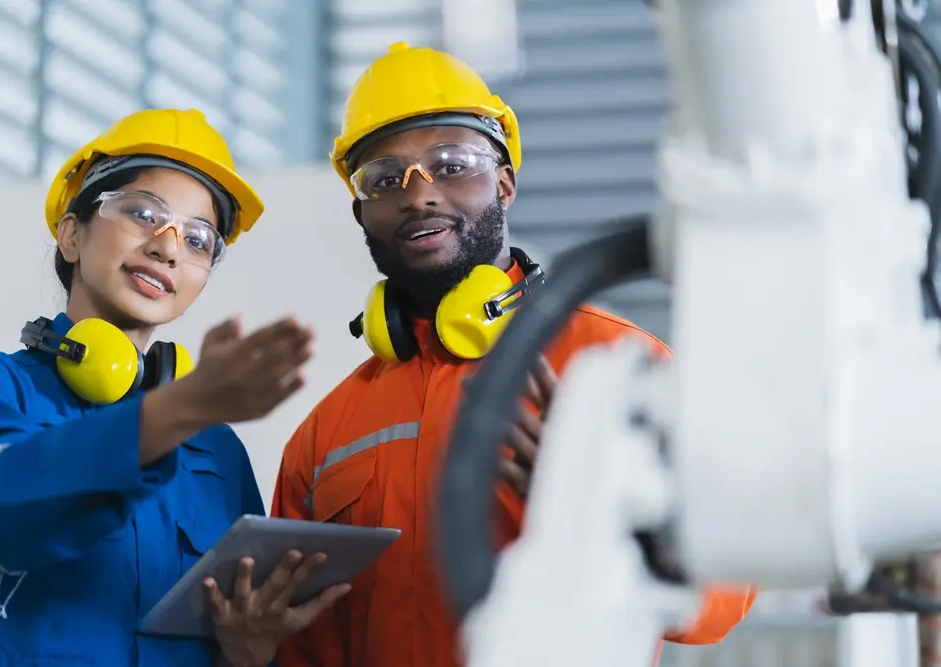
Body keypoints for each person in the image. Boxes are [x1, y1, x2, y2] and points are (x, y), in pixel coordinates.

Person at [263, 43, 758, 667]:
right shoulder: (326, 432)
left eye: (450, 164)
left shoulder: (620, 363)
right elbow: (304, 649)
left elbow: (723, 598)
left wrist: (608, 503)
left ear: (504, 182)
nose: (418, 196)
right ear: (363, 212)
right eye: (385, 179)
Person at [0, 108, 347, 667]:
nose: (168, 246)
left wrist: (249, 653)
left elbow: (233, 628)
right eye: (143, 213)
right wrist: (174, 411)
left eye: (200, 239)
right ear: (71, 234)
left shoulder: (216, 448)